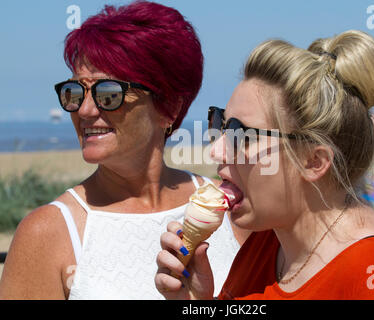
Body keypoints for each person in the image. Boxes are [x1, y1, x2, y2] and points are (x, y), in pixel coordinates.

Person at [155, 30, 374, 300]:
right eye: (220, 124)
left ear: (314, 162)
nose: (217, 150)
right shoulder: (270, 242)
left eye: (241, 135)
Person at [0, 1, 247, 300]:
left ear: (168, 107)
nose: (85, 110)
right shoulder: (47, 234)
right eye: (74, 92)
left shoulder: (231, 212)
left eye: (109, 94)